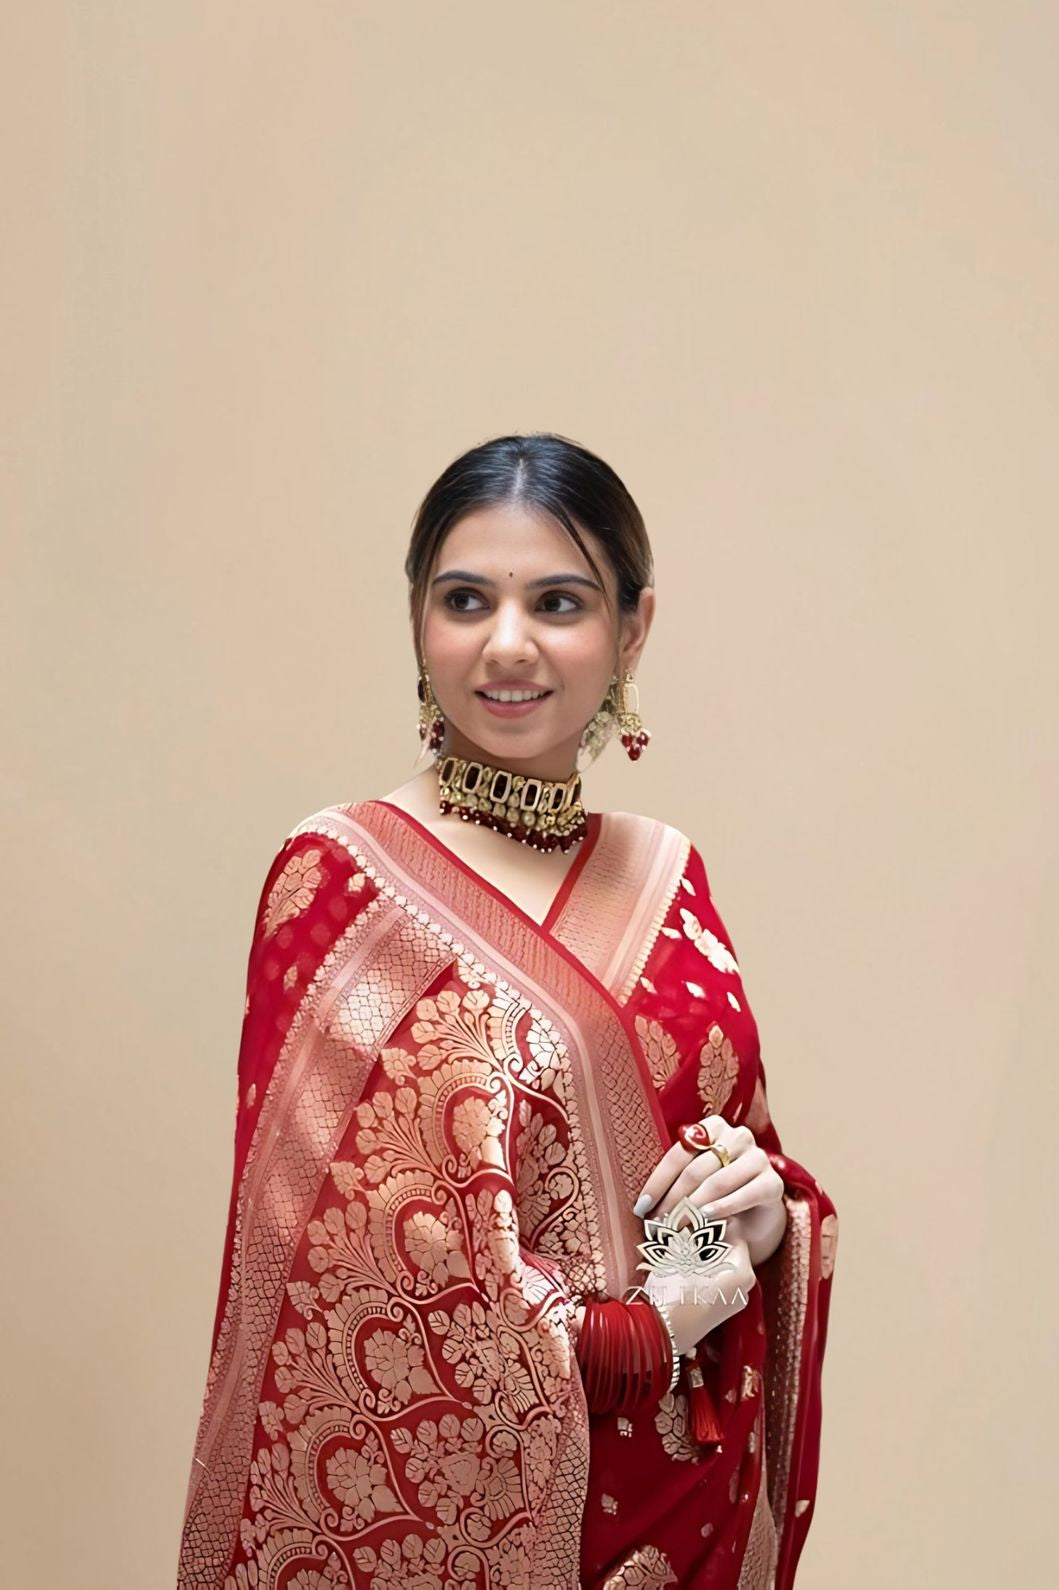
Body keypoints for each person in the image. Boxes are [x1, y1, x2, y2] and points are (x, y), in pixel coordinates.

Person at [177, 433, 838, 1589]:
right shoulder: (342, 883)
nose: (508, 644)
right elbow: (366, 1300)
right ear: (419, 621)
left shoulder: (668, 872)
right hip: (490, 1531)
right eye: (466, 599)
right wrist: (650, 1333)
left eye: (560, 601)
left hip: (675, 1513)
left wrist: (766, 1217)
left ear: (631, 630)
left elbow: (702, 1184)